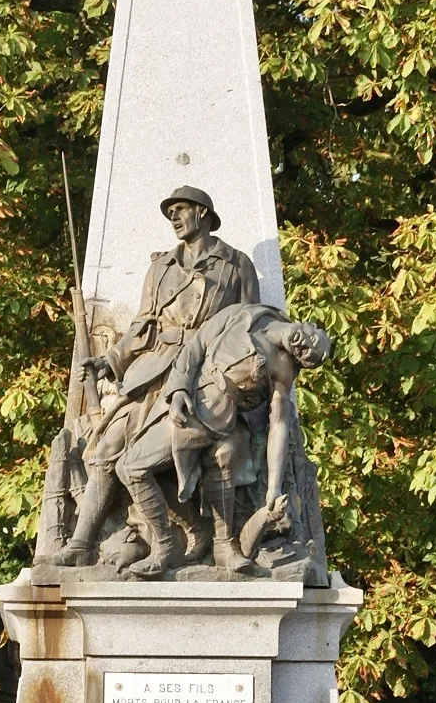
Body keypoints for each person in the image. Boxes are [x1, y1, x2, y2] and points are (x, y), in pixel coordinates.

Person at [53, 187, 259, 566]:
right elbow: (141, 326)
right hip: (156, 372)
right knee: (104, 449)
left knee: (219, 455)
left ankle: (218, 541)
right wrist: (111, 360)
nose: (174, 219)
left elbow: (250, 330)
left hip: (206, 378)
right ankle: (82, 543)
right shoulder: (161, 267)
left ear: (202, 213)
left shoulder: (235, 264)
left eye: (180, 210)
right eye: (170, 214)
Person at [115, 303, 332, 577]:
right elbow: (196, 347)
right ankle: (167, 542)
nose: (304, 347)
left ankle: (221, 545)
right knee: (129, 468)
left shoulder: (283, 369)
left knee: (221, 460)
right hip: (185, 405)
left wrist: (273, 489)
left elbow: (279, 424)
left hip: (219, 421)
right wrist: (179, 388)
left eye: (307, 354)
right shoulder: (244, 313)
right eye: (311, 341)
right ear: (310, 326)